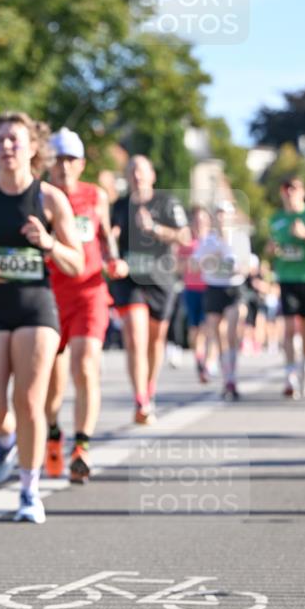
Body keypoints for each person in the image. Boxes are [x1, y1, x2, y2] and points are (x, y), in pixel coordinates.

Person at [0, 112, 83, 523]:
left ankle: (29, 490)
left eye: (14, 140)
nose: (6, 147)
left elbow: (77, 264)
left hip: (36, 306)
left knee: (29, 401)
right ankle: (5, 439)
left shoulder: (50, 200)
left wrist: (48, 243)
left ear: (33, 148)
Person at [44, 128, 116, 483]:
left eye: (70, 159)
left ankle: (82, 448)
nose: (64, 166)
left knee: (85, 366)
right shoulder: (38, 197)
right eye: (57, 159)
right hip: (50, 294)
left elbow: (105, 235)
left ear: (81, 163)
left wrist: (115, 260)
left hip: (90, 290)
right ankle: (54, 433)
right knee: (52, 382)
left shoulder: (95, 195)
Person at [109, 155, 190, 424]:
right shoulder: (119, 206)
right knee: (135, 338)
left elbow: (185, 236)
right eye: (131, 171)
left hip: (160, 280)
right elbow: (108, 237)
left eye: (141, 171)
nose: (136, 176)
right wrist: (112, 248)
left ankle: (150, 386)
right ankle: (140, 399)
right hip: (129, 280)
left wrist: (154, 228)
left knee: (156, 341)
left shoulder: (167, 203)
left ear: (152, 175)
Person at [268, 176, 305, 398]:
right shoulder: (277, 218)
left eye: (293, 188)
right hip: (287, 278)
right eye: (285, 188)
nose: (289, 192)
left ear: (303, 191)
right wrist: (272, 250)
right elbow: (273, 248)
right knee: (290, 327)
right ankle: (290, 374)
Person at [195, 201, 252, 401]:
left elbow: (247, 265)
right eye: (218, 213)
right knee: (216, 332)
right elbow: (196, 264)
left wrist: (234, 264)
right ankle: (225, 375)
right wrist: (211, 258)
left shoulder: (240, 238)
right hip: (214, 287)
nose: (221, 218)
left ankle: (232, 375)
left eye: (224, 214)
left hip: (234, 287)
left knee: (231, 331)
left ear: (231, 216)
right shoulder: (208, 239)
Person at [177, 205, 211, 383]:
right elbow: (177, 267)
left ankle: (208, 363)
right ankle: (199, 359)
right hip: (191, 289)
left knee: (208, 327)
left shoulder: (213, 241)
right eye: (197, 220)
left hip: (210, 288)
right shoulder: (186, 244)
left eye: (203, 220)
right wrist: (189, 262)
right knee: (194, 329)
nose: (200, 223)